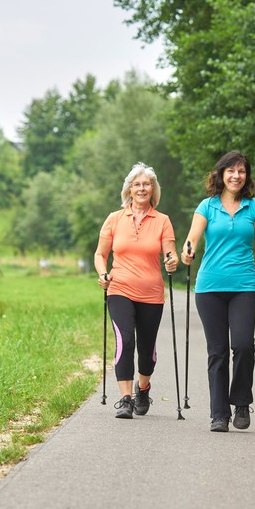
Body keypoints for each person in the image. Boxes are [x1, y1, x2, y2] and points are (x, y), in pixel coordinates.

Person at [181, 151, 255, 432]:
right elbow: (192, 239)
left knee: (244, 345)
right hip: (209, 287)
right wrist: (188, 253)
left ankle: (242, 402)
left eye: (241, 171)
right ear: (221, 174)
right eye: (231, 171)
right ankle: (219, 414)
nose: (236, 176)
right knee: (217, 351)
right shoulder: (207, 207)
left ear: (247, 176)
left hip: (244, 285)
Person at [94, 163, 178, 419]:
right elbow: (100, 254)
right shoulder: (114, 219)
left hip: (152, 294)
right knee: (125, 340)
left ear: (153, 190)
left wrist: (172, 261)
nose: (142, 188)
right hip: (119, 289)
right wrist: (102, 274)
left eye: (147, 184)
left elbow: (170, 254)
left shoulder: (162, 221)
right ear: (129, 189)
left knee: (147, 349)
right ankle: (126, 399)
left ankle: (143, 388)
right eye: (137, 184)